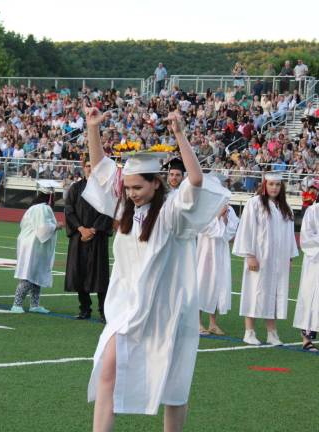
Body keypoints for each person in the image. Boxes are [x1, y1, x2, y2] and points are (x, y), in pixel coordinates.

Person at [82, 107, 229, 431]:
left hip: (167, 308)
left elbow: (196, 180)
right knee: (107, 367)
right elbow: (100, 172)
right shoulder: (123, 207)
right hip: (128, 307)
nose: (131, 193)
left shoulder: (172, 213)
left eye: (138, 188)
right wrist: (93, 128)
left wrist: (179, 134)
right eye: (129, 187)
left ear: (156, 183)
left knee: (174, 386)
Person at [233, 172, 298, 346]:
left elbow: (289, 235)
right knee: (255, 291)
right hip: (259, 258)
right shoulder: (254, 204)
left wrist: (290, 258)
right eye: (271, 184)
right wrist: (250, 255)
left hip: (279, 260)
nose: (274, 188)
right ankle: (249, 331)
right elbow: (246, 229)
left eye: (277, 185)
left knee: (275, 293)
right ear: (265, 185)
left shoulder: (286, 208)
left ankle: (272, 333)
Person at [64, 156, 113, 321]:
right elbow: (69, 210)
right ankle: (84, 309)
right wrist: (81, 228)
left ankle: (104, 311)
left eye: (93, 166)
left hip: (97, 238)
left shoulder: (105, 189)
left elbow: (108, 211)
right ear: (83, 168)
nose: (90, 169)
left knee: (100, 276)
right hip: (79, 237)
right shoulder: (75, 188)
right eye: (87, 166)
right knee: (79, 272)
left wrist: (93, 229)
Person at [11, 180, 63, 314]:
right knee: (29, 274)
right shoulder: (43, 208)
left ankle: (35, 304)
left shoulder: (36, 207)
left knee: (37, 274)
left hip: (34, 244)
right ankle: (16, 304)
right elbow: (43, 229)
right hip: (33, 245)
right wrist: (57, 226)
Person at [196, 181, 239, 336]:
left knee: (218, 284)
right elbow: (205, 228)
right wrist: (218, 217)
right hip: (205, 252)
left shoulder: (229, 209)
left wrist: (226, 219)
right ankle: (198, 322)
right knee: (202, 284)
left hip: (220, 252)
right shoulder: (204, 208)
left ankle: (213, 323)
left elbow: (230, 232)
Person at [293, 196, 319, 352]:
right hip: (315, 262)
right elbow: (306, 238)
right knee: (311, 296)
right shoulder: (313, 211)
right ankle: (306, 338)